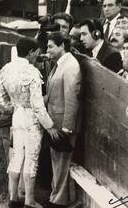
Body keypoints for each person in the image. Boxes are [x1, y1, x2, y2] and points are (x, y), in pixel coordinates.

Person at [0, 37, 58, 208]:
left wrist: (15, 107)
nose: (37, 55)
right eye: (36, 52)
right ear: (30, 52)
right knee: (31, 159)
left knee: (16, 156)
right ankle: (29, 201)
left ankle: (13, 198)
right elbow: (38, 106)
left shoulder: (6, 69)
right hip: (31, 118)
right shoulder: (32, 72)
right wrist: (50, 126)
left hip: (17, 115)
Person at [45, 31, 81, 208]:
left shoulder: (70, 66)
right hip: (56, 119)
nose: (47, 50)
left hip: (62, 122)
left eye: (51, 46)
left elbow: (72, 97)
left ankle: (58, 201)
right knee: (57, 162)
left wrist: (67, 128)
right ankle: (56, 197)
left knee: (61, 163)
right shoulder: (61, 64)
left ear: (62, 46)